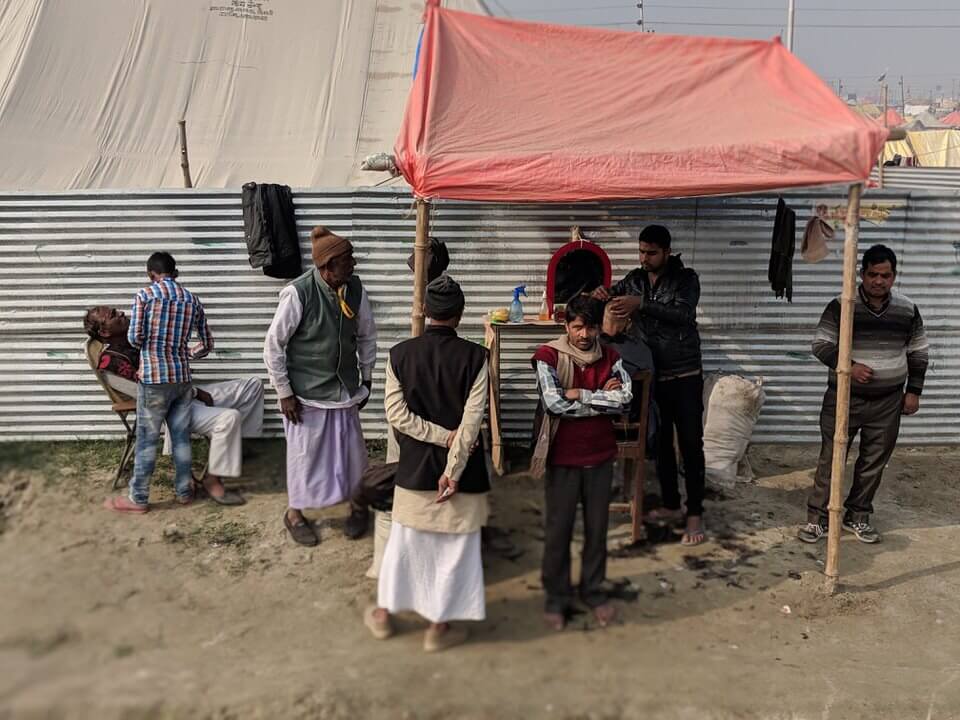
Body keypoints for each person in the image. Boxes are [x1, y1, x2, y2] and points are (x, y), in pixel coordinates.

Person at [364, 275, 489, 652]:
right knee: (454, 552)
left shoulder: (399, 355)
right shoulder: (477, 357)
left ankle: (384, 617)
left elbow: (396, 416)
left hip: (414, 469)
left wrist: (436, 436)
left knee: (404, 548)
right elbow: (471, 423)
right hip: (463, 475)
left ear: (424, 311)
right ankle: (438, 627)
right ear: (460, 314)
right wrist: (452, 468)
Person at [800, 244, 928, 545]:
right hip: (844, 397)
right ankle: (817, 520)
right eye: (873, 274)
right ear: (862, 274)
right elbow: (821, 345)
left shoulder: (907, 309)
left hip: (888, 401)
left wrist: (914, 392)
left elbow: (918, 352)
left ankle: (857, 516)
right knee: (832, 458)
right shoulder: (842, 305)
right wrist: (849, 366)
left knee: (873, 461)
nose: (879, 281)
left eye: (885, 275)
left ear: (894, 277)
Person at [593, 224, 706, 545]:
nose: (645, 258)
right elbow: (614, 295)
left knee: (690, 444)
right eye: (641, 251)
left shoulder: (687, 279)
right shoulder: (635, 279)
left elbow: (683, 314)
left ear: (667, 252)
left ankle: (694, 513)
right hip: (652, 374)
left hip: (684, 374)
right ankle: (672, 505)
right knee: (660, 445)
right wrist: (601, 294)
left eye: (651, 253)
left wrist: (640, 304)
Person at [264, 226, 377, 546]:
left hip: (343, 389)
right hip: (306, 394)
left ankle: (358, 505)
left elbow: (367, 335)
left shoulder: (355, 289)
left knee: (353, 454)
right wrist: (284, 392)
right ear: (328, 266)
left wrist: (366, 378)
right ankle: (295, 513)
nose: (354, 264)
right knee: (305, 455)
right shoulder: (298, 293)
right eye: (348, 259)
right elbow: (273, 346)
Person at [84, 305, 263, 505]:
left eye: (117, 310)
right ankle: (211, 479)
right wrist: (194, 392)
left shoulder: (138, 340)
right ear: (105, 331)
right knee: (227, 418)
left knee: (252, 386)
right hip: (173, 407)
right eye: (113, 315)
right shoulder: (110, 364)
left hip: (185, 394)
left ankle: (235, 448)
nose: (122, 313)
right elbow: (149, 395)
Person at [531, 295, 632, 631]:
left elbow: (624, 399)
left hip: (600, 456)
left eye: (590, 327)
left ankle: (593, 590)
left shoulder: (612, 357)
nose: (585, 334)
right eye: (577, 327)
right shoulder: (548, 356)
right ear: (566, 326)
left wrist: (581, 394)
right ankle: (556, 598)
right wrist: (601, 396)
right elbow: (554, 404)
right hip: (562, 458)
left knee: (596, 529)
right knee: (558, 530)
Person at [104, 252, 213, 513]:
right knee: (181, 438)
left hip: (154, 378)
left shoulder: (145, 296)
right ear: (174, 271)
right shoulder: (192, 300)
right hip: (182, 379)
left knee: (147, 439)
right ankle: (185, 491)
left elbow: (134, 338)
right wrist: (185, 352)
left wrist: (154, 348)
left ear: (151, 274)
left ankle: (138, 498)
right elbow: (207, 345)